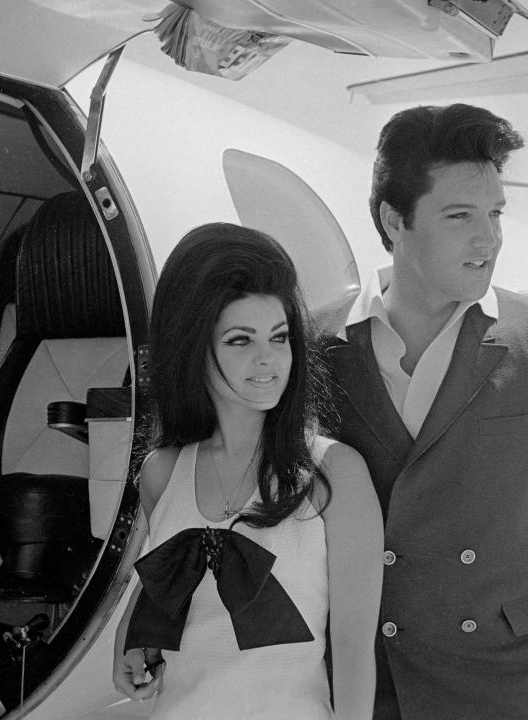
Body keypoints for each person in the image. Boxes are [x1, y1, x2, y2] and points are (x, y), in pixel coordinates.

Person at [322, 104, 528, 720]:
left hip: (506, 682)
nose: (489, 238)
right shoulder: (322, 347)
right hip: (369, 685)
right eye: (460, 216)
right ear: (395, 221)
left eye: (496, 213)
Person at [112, 223, 384, 719]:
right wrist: (130, 637)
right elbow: (170, 583)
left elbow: (352, 648)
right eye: (241, 340)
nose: (269, 360)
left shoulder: (333, 473)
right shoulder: (162, 472)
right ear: (194, 348)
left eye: (279, 338)